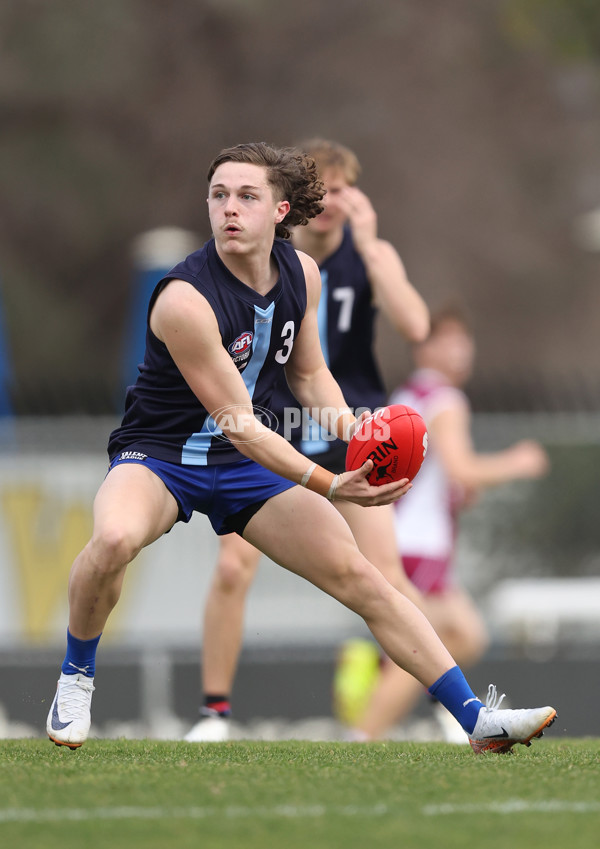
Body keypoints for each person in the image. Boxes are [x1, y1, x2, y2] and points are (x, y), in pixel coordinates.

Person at [46, 141, 556, 755]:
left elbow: (310, 377)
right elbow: (237, 420)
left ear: (281, 210)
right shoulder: (184, 298)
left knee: (363, 580)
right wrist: (329, 484)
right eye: (218, 196)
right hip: (163, 456)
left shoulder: (302, 274)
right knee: (114, 540)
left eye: (246, 196)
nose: (228, 209)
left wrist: (354, 433)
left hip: (241, 467)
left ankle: (476, 720)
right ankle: (77, 677)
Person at [185, 138, 431, 743]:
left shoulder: (363, 256)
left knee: (385, 577)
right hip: (281, 421)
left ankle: (446, 702)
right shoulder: (267, 260)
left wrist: (371, 246)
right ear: (290, 202)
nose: (331, 202)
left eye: (342, 188)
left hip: (351, 423)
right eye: (321, 189)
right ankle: (214, 714)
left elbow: (417, 326)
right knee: (232, 570)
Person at [344, 305, 550, 742]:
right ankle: (365, 733)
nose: (458, 351)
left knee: (467, 634)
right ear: (422, 347)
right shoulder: (446, 401)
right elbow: (462, 469)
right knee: (427, 640)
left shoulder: (405, 397)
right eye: (446, 341)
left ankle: (382, 672)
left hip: (395, 535)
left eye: (463, 340)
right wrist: (518, 462)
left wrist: (455, 490)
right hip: (421, 545)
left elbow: (430, 472)